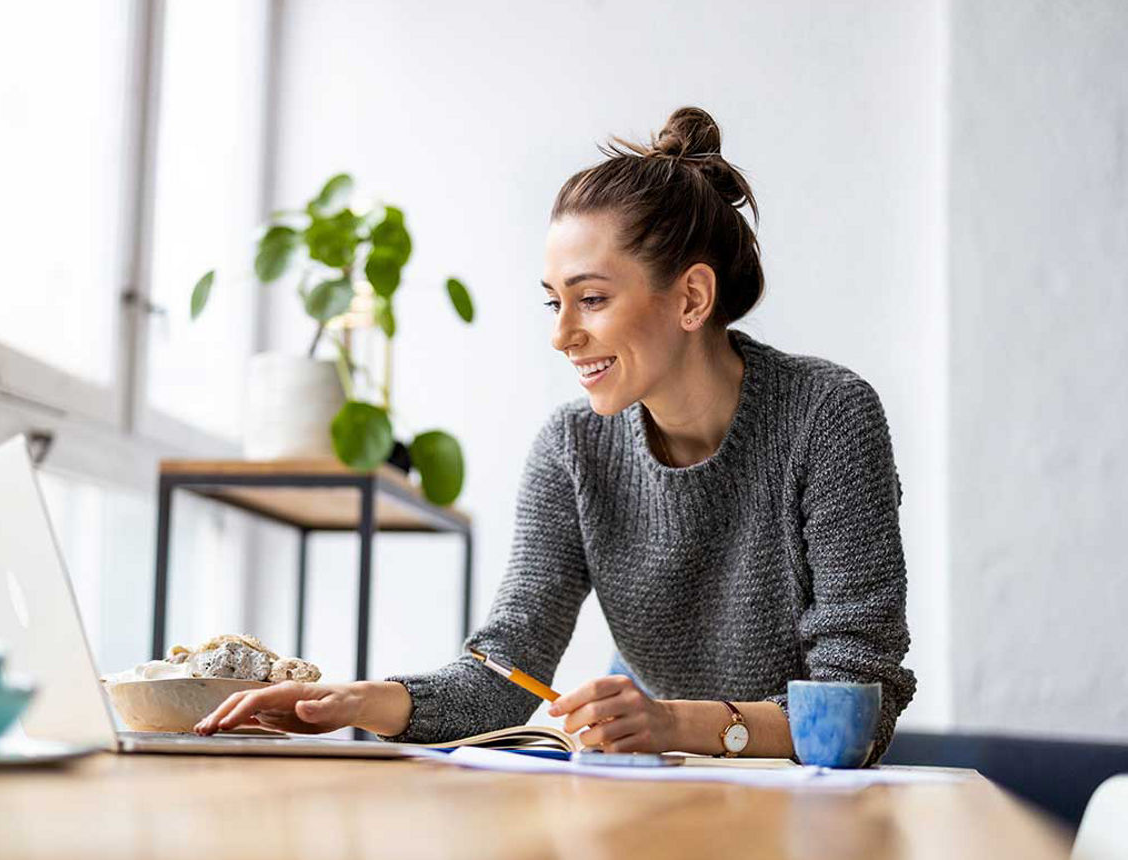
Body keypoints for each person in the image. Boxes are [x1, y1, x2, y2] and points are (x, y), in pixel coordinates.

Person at [196, 106, 916, 765]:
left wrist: (670, 724)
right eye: (554, 302)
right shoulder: (572, 449)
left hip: (812, 813)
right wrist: (358, 703)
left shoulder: (828, 416)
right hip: (658, 793)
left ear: (692, 297)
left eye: (592, 299)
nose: (562, 336)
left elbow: (855, 712)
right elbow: (506, 674)